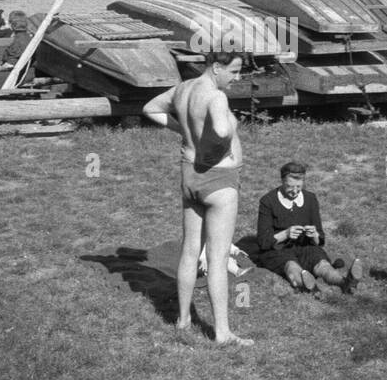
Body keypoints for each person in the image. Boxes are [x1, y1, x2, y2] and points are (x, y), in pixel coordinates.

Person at [142, 53, 253, 346]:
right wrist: (227, 135)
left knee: (191, 250)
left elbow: (150, 107)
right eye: (234, 71)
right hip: (218, 181)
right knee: (216, 260)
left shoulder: (183, 88)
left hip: (190, 175)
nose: (237, 77)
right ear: (216, 67)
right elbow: (220, 131)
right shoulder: (216, 97)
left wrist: (182, 129)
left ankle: (183, 320)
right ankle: (222, 332)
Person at [255, 162, 362, 293]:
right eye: (290, 187)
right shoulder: (268, 201)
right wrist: (286, 234)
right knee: (292, 267)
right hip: (278, 250)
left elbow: (320, 239)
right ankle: (311, 287)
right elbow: (263, 241)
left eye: (298, 187)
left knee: (323, 265)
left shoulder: (310, 199)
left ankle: (345, 282)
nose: (294, 191)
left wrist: (314, 235)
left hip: (306, 247)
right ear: (282, 181)